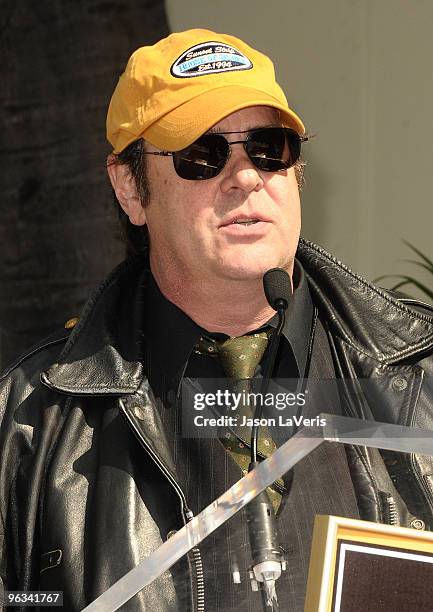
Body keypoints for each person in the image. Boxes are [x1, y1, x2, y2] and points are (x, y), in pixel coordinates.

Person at [1, 28, 432, 612]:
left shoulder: (420, 375)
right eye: (202, 154)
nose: (247, 177)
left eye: (269, 147)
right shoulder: (28, 425)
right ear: (131, 187)